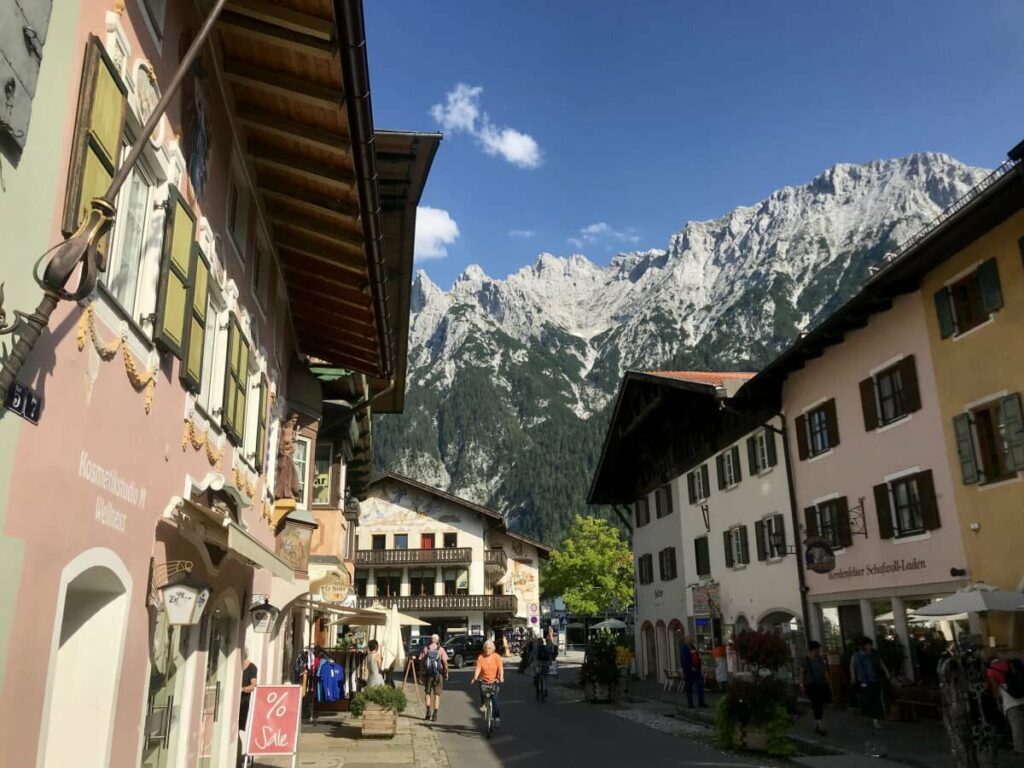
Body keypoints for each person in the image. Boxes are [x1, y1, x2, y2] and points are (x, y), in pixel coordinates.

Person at [986, 654, 1024, 754]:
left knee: (1016, 725)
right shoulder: (1009, 663)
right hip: (1022, 693)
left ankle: (1019, 748)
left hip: (1009, 700)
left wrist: (998, 701)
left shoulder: (990, 671)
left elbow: (995, 690)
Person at [851, 637, 887, 730]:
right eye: (868, 645)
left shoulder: (874, 654)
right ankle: (874, 719)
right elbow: (852, 666)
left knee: (876, 698)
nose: (870, 647)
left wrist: (886, 672)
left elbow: (881, 663)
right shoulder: (858, 656)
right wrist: (853, 676)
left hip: (875, 678)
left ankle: (876, 717)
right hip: (865, 680)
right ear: (864, 646)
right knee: (871, 699)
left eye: (871, 645)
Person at [800, 641, 832, 735]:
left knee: (820, 704)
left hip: (820, 684)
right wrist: (801, 684)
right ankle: (819, 724)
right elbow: (801, 672)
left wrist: (828, 680)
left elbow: (824, 671)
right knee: (816, 704)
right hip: (811, 685)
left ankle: (818, 723)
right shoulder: (806, 660)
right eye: (817, 649)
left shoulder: (820, 659)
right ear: (812, 650)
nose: (818, 651)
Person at [471, 640, 505, 727]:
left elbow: (500, 668)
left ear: (493, 649)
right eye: (486, 648)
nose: (487, 650)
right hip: (484, 680)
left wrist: (501, 677)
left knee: (495, 700)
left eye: (489, 648)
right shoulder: (481, 657)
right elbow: (478, 668)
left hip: (494, 680)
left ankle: (497, 718)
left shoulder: (497, 657)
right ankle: (483, 704)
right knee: (482, 690)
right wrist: (475, 677)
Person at [419, 634, 449, 722]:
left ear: (431, 640)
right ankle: (435, 715)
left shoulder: (426, 649)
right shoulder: (441, 649)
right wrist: (446, 673)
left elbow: (421, 662)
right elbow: (445, 663)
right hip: (438, 675)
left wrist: (421, 674)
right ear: (437, 640)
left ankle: (428, 712)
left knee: (428, 693)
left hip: (428, 675)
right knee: (437, 695)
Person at [238, 649, 258, 768]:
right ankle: (237, 755)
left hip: (245, 701)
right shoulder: (236, 666)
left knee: (243, 729)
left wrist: (243, 689)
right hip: (235, 701)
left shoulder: (251, 667)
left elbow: (254, 685)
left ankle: (243, 755)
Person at [680, 637, 708, 709]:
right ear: (687, 641)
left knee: (700, 686)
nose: (692, 641)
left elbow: (696, 656)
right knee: (689, 688)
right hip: (689, 671)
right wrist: (690, 667)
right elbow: (684, 660)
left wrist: (699, 664)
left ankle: (701, 702)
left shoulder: (693, 647)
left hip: (697, 669)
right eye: (691, 639)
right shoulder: (684, 649)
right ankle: (690, 703)